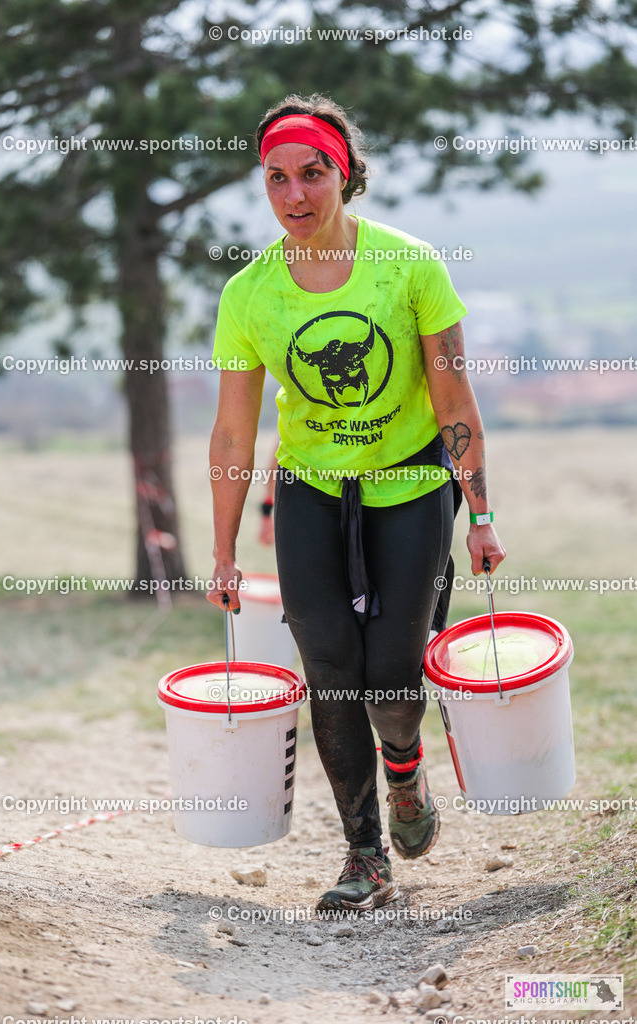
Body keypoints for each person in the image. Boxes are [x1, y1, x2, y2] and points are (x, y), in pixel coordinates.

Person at [207, 94, 506, 915]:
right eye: (276, 178)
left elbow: (454, 402)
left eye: (312, 174)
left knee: (389, 676)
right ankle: (364, 855)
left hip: (410, 486)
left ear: (344, 175)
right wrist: (224, 550)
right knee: (330, 670)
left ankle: (405, 767)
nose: (294, 195)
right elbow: (233, 435)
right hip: (309, 490)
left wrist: (478, 516)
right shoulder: (250, 294)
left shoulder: (409, 267)